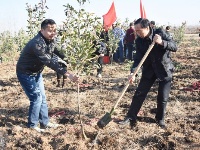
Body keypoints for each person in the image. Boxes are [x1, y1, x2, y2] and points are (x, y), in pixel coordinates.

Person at [16, 19, 79, 132]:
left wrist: (71, 60)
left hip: (37, 72)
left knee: (43, 98)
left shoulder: (51, 40)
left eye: (54, 30)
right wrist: (67, 74)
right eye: (50, 31)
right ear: (42, 30)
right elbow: (49, 61)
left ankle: (45, 123)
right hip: (25, 73)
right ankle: (32, 125)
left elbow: (57, 51)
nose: (53, 33)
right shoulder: (37, 43)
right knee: (36, 98)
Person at [119, 18, 177, 128]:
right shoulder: (139, 41)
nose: (137, 33)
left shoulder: (160, 33)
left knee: (162, 97)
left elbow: (174, 46)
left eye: (139, 30)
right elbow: (138, 59)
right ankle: (131, 116)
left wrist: (161, 42)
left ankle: (160, 119)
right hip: (149, 70)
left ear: (147, 28)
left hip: (164, 69)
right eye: (135, 31)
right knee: (139, 94)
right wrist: (133, 73)